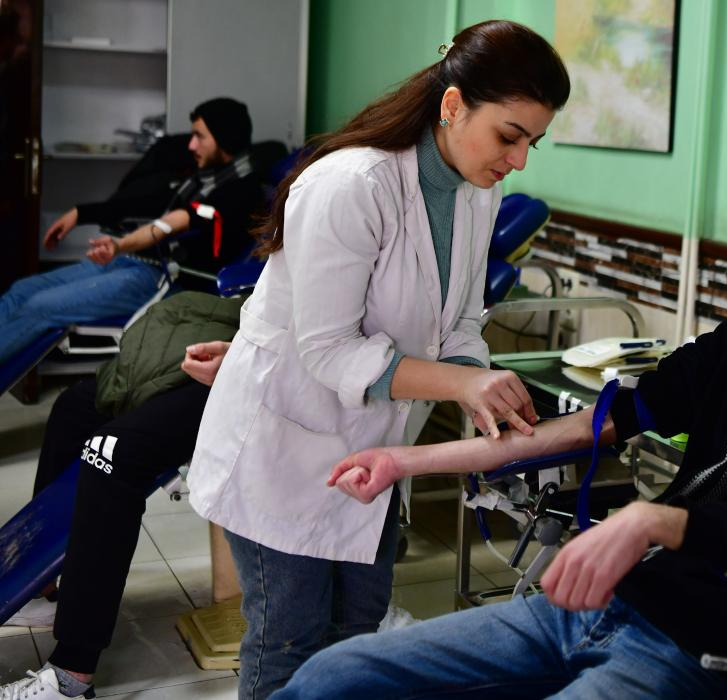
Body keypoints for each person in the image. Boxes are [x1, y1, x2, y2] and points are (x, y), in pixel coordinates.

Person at [270, 160, 727, 699]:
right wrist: (405, 461)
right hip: (614, 602)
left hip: (715, 650)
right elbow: (601, 423)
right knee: (335, 676)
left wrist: (661, 521)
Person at [186, 20, 571, 699]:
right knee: (288, 639)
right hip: (285, 446)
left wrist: (481, 384)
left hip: (372, 455)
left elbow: (460, 321)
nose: (518, 161)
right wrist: (461, 385)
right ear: (452, 106)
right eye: (509, 136)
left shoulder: (476, 191)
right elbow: (329, 349)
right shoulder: (351, 183)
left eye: (531, 143)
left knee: (358, 635)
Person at [0, 292, 239, 700]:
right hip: (232, 340)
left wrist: (240, 359)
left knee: (109, 453)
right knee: (73, 407)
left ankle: (72, 674)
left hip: (259, 372)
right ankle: (43, 589)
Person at [0, 97, 262, 366]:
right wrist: (80, 213)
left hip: (163, 278)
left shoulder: (241, 192)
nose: (191, 145)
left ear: (224, 139)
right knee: (22, 290)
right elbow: (147, 203)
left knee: (39, 306)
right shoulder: (204, 179)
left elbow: (172, 222)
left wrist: (119, 245)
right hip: (138, 261)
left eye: (199, 136)